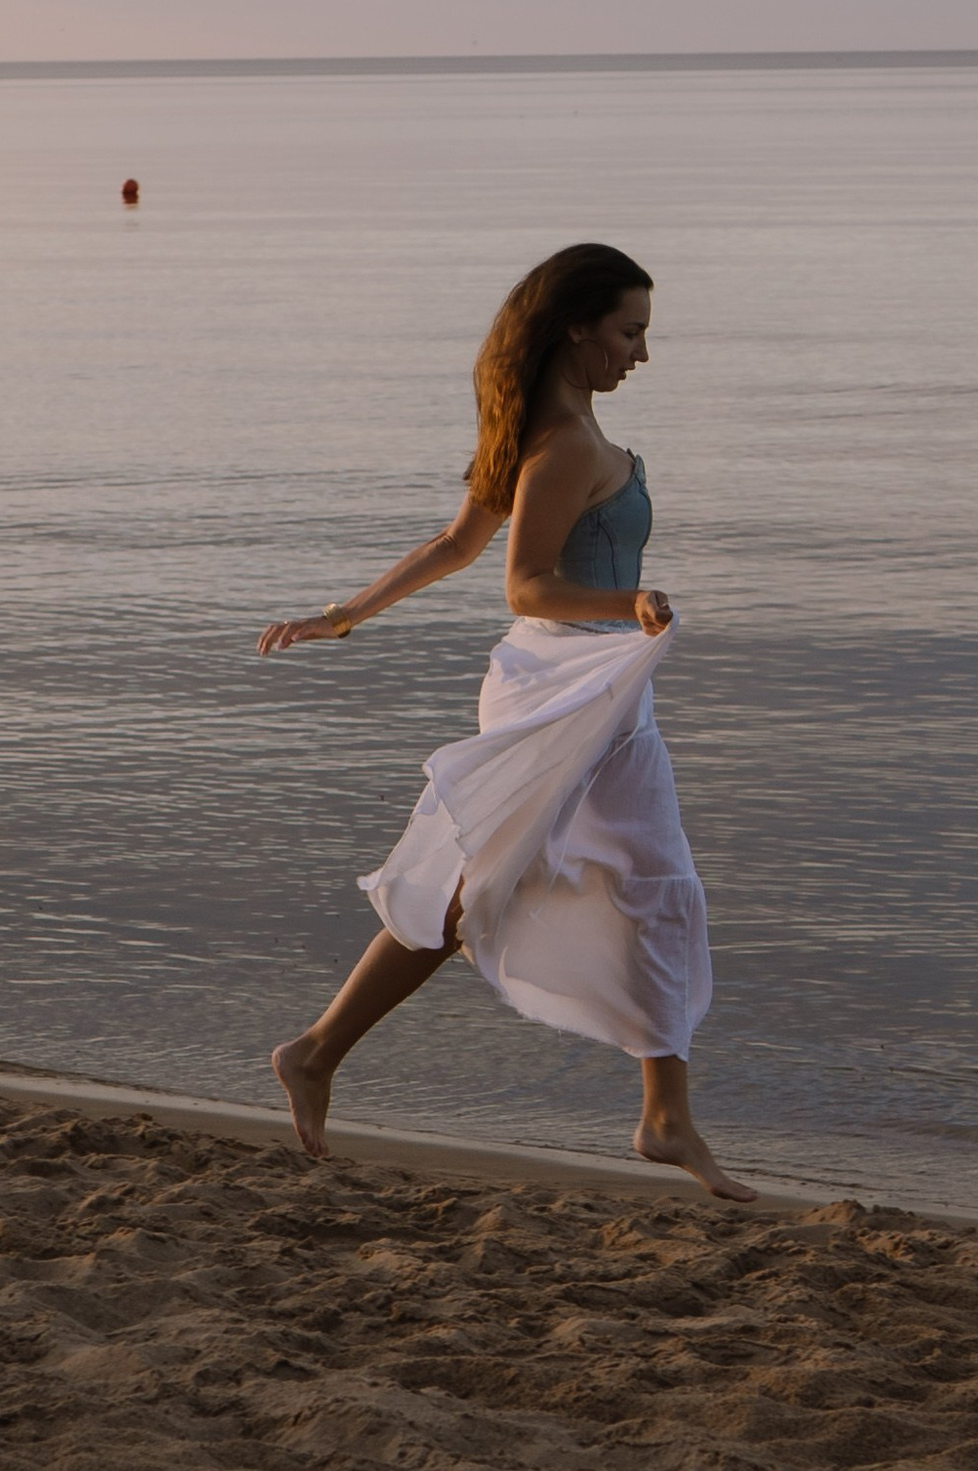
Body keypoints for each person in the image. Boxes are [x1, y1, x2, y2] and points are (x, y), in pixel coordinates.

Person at [258, 242, 748, 1201]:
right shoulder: (562, 444)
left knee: (654, 881)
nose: (640, 354)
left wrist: (345, 614)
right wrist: (632, 602)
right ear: (578, 328)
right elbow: (521, 578)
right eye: (629, 331)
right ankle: (315, 1052)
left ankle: (664, 1116)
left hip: (608, 686)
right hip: (561, 682)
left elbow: (451, 544)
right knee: (475, 887)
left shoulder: (555, 431)